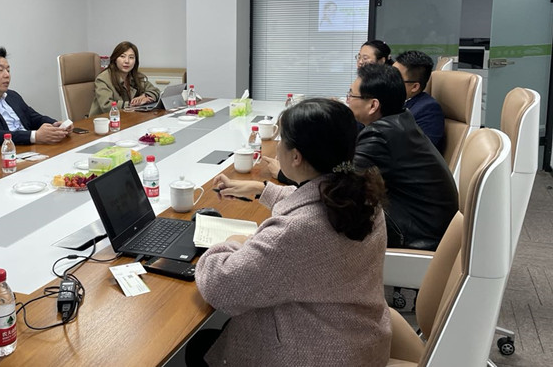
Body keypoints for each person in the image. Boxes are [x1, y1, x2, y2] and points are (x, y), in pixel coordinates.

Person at [187, 99, 391, 367]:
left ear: (296, 156)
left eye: (282, 139)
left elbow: (220, 287)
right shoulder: (363, 197)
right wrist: (262, 189)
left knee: (198, 348)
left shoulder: (294, 232)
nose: (278, 146)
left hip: (320, 354)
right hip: (359, 339)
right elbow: (315, 201)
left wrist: (232, 243)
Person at [347, 64, 457, 249]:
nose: (347, 100)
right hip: (423, 225)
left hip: (415, 236)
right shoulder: (399, 120)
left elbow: (345, 177)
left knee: (336, 208)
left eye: (351, 95)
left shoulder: (380, 134)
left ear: (373, 105)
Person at [0, 45, 72, 154]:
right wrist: (34, 136)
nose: (7, 75)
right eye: (0, 70)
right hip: (2, 158)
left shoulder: (12, 96)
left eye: (8, 70)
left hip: (30, 151)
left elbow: (33, 117)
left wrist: (56, 125)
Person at [89, 41, 160, 116]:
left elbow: (156, 91)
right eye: (122, 56)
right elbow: (107, 106)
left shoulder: (136, 76)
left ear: (135, 61)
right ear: (115, 59)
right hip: (105, 119)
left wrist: (144, 97)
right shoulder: (103, 79)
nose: (127, 61)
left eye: (131, 57)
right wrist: (134, 104)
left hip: (128, 117)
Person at [393, 50, 445, 151]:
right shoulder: (392, 101)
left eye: (395, 78)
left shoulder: (428, 110)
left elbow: (418, 152)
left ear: (414, 87)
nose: (387, 80)